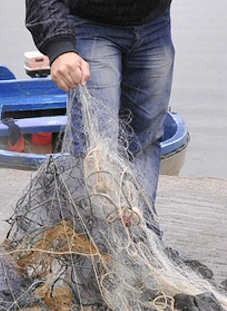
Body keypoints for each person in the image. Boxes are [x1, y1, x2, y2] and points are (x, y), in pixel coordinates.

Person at [26, 0, 175, 205]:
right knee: (96, 145)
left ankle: (141, 229)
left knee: (146, 139)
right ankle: (96, 232)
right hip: (89, 24)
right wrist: (59, 46)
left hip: (155, 23)